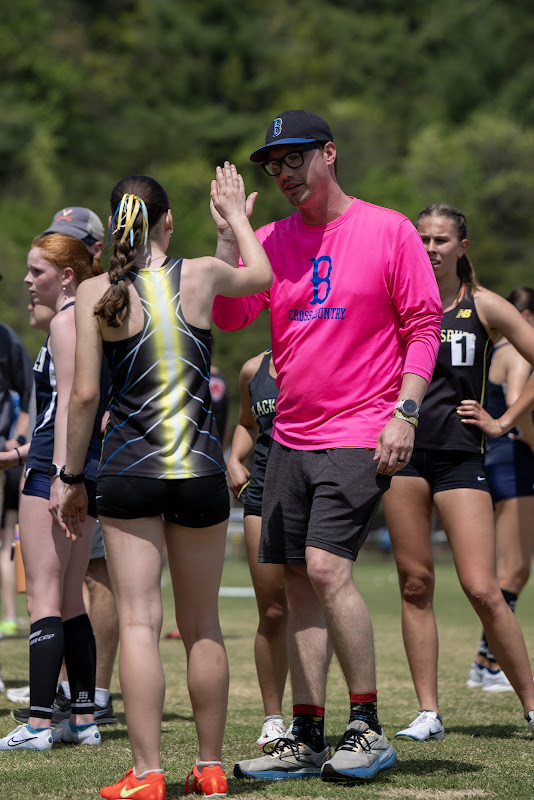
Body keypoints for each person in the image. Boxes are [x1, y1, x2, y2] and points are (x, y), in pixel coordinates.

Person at [211, 110, 442, 783]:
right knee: (294, 581)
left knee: (325, 567)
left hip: (360, 426)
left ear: (330, 154)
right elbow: (230, 314)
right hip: (289, 435)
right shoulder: (273, 240)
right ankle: (307, 734)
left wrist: (406, 412)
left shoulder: (388, 229)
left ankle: (366, 728)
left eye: (292, 158)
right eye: (271, 164)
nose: (281, 173)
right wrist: (232, 238)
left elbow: (423, 327)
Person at [58, 168, 272, 800]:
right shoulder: (201, 273)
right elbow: (259, 276)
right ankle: (209, 767)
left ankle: (148, 774)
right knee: (203, 624)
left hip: (128, 474)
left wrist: (72, 478)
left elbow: (85, 395)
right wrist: (234, 215)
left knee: (140, 623)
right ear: (168, 220)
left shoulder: (98, 289)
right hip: (202, 472)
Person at [383, 204, 534, 743]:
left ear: (462, 246)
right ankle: (428, 712)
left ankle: (531, 704)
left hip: (460, 458)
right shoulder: (397, 303)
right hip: (403, 460)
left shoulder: (484, 307)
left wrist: (505, 421)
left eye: (441, 239)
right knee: (415, 583)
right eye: (422, 238)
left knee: (482, 588)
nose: (430, 248)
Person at [0, 232, 105, 752]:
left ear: (67, 276)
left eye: (36, 270)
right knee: (68, 598)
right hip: (62, 468)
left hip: (55, 475)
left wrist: (63, 477)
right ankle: (82, 719)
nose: (26, 279)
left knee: (44, 594)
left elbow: (71, 407)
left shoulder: (66, 322)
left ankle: (39, 723)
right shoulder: (79, 322)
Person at [464, 287, 534, 691]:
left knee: (510, 567)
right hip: (513, 460)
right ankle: (489, 663)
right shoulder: (516, 353)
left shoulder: (497, 349)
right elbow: (516, 408)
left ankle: (485, 662)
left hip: (499, 459)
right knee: (515, 566)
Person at [226, 348, 290, 747]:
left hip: (313, 489)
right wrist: (233, 457)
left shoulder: (325, 350)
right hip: (262, 494)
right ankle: (274, 718)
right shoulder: (252, 368)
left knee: (313, 603)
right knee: (272, 609)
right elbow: (247, 424)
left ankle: (311, 714)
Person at [0, 324, 33, 639]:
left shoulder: (7, 339)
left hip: (5, 461)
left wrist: (16, 440)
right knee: (6, 542)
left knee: (7, 540)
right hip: (11, 454)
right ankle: (9, 616)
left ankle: (9, 616)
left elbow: (28, 393)